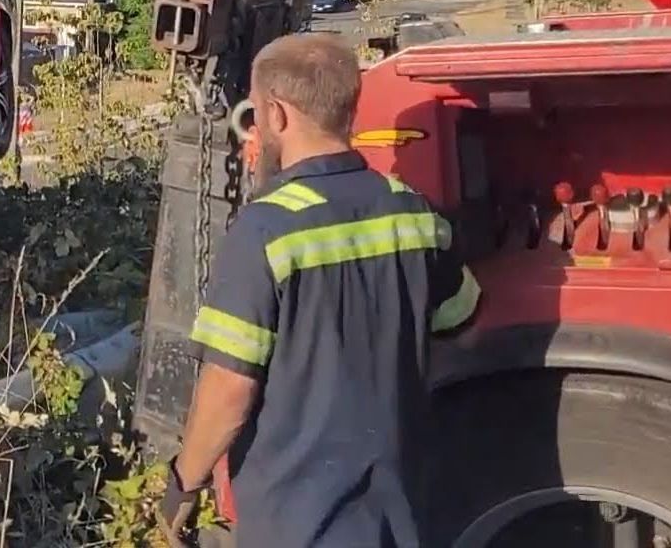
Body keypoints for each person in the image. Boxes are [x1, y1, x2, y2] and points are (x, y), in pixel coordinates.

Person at [160, 32, 481, 547]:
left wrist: (183, 482)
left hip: (299, 520)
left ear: (278, 115)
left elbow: (229, 389)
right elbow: (460, 317)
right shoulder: (414, 213)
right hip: (400, 511)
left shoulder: (265, 230)